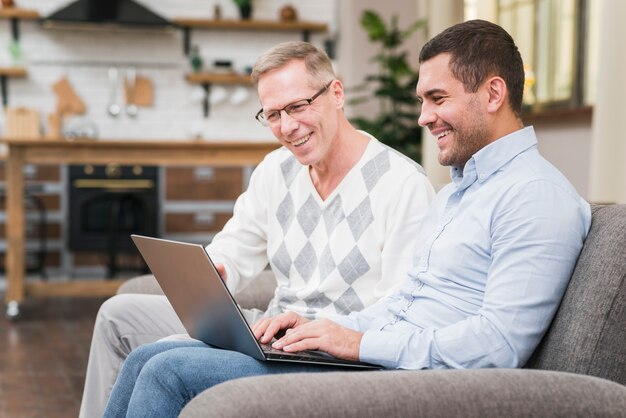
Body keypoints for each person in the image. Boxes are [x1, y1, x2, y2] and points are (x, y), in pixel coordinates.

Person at [101, 19, 592, 418]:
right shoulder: (459, 194)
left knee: (170, 372)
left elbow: (499, 345)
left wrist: (355, 343)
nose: (422, 116)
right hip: (370, 358)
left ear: (493, 93)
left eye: (436, 99)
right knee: (150, 356)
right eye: (422, 100)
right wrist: (320, 330)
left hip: (403, 382)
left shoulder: (536, 197)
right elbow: (403, 302)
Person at [79, 41, 435, 417]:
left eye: (298, 107)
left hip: (335, 355)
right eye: (273, 114)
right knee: (136, 346)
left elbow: (401, 312)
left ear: (336, 93)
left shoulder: (402, 184)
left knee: (164, 368)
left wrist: (327, 331)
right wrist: (215, 271)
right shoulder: (276, 170)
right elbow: (235, 246)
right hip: (274, 333)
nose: (288, 127)